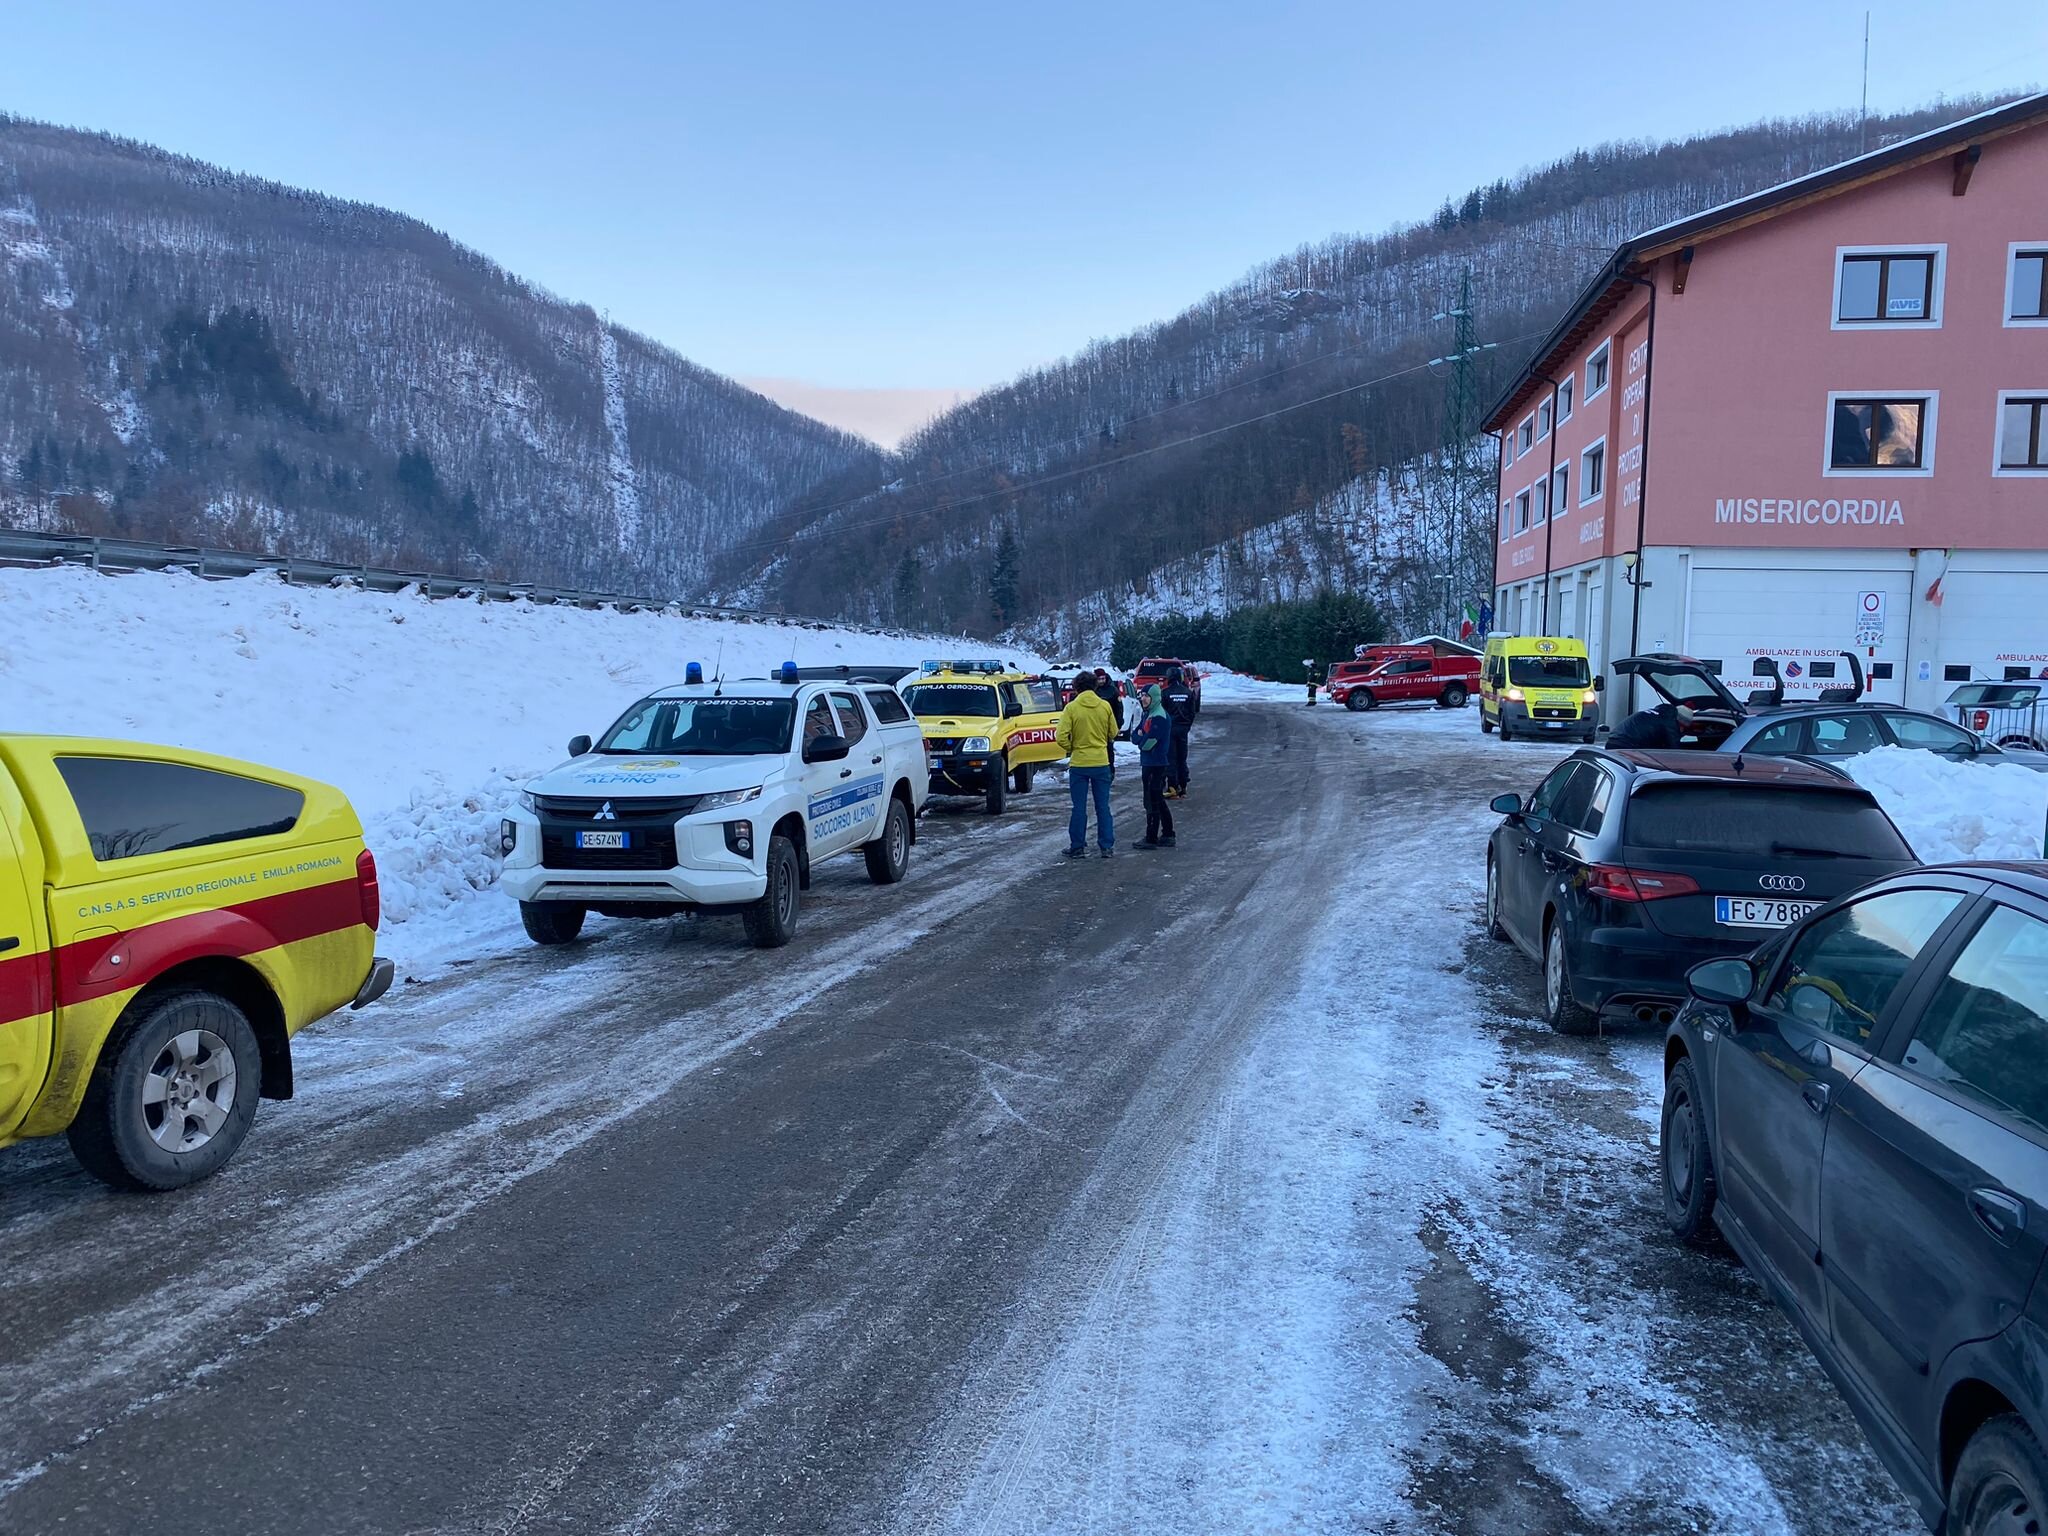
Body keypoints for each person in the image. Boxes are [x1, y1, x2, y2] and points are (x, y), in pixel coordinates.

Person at [1057, 678, 1118, 858]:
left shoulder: (1072, 708)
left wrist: (1072, 748)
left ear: (1076, 688)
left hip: (1080, 764)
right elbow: (1113, 732)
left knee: (1079, 807)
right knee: (1103, 807)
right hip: (1101, 762)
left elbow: (1060, 736)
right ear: (1095, 686)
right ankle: (1106, 846)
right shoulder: (1104, 706)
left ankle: (1077, 847)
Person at [1131, 684, 1177, 849]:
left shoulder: (1159, 717)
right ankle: (1168, 833)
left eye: (1147, 696)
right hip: (1149, 763)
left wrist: (1141, 738)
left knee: (1151, 801)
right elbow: (1134, 736)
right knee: (1156, 799)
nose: (1143, 698)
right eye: (1142, 695)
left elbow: (1147, 744)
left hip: (1155, 764)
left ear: (1155, 698)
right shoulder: (1148, 714)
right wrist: (1140, 737)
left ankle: (1151, 837)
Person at [1162, 666, 1196, 797]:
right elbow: (1192, 712)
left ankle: (1172, 786)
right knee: (1182, 758)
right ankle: (1183, 786)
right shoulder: (1188, 692)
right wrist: (1187, 726)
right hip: (1183, 730)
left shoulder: (1165, 693)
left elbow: (1162, 713)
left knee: (1171, 758)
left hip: (1170, 729)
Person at [1607, 700, 1696, 749]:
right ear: (1680, 722)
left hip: (1613, 740)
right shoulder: (1670, 723)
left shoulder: (1660, 714)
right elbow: (1674, 753)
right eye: (1683, 728)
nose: (1682, 732)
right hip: (1627, 747)